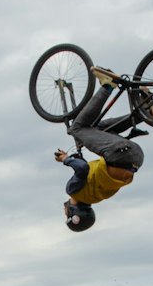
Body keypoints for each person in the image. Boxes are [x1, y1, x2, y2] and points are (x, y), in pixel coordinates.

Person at [55, 67, 145, 233]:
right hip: (118, 154)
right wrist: (66, 159)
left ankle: (141, 115)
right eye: (66, 214)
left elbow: (87, 170)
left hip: (135, 158)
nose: (64, 210)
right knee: (78, 128)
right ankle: (108, 86)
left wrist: (77, 157)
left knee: (94, 128)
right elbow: (82, 168)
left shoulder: (95, 196)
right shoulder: (74, 192)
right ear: (74, 213)